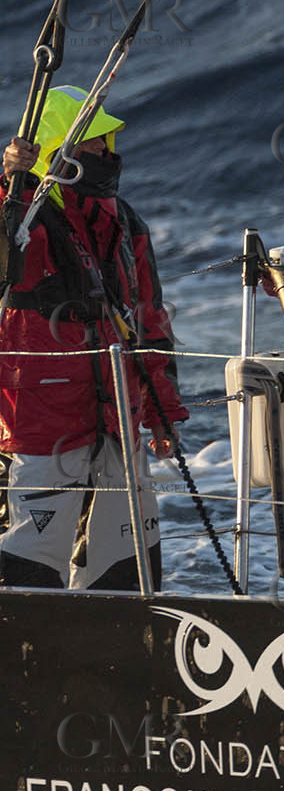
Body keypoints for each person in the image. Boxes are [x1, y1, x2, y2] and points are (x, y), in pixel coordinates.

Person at [0, 85, 186, 589]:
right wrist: (11, 182)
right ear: (63, 148)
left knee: (128, 567)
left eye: (107, 140)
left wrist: (162, 411)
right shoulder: (21, 215)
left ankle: (126, 656)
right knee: (30, 562)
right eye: (94, 142)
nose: (107, 152)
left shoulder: (124, 221)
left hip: (118, 417)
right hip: (40, 422)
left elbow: (150, 322)